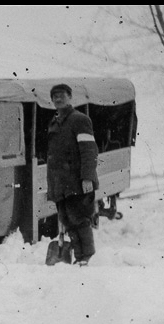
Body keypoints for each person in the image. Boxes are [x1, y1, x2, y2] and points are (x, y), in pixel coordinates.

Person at [46, 83, 99, 266]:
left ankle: (86, 256)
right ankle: (79, 256)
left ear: (70, 97)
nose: (58, 99)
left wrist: (87, 178)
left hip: (77, 181)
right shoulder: (54, 123)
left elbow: (89, 151)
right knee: (68, 221)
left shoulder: (79, 120)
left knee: (80, 219)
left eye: (62, 95)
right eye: (55, 96)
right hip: (61, 183)